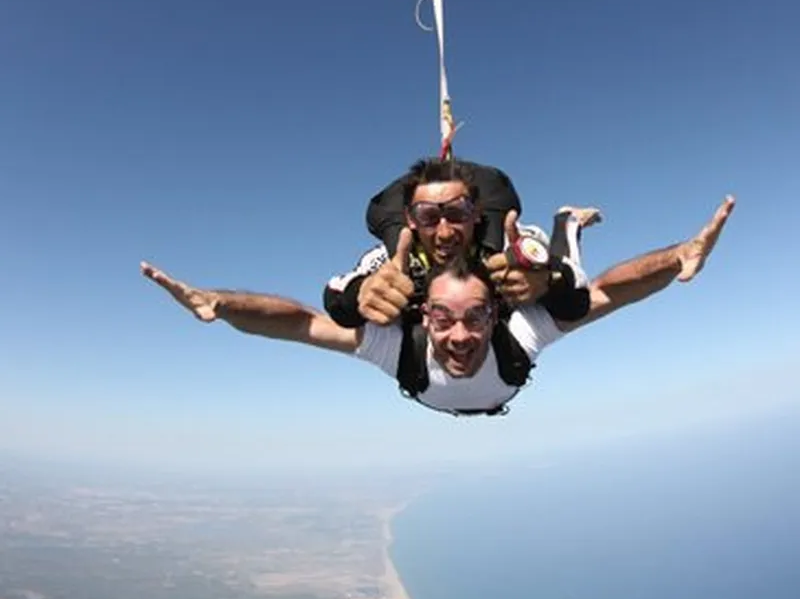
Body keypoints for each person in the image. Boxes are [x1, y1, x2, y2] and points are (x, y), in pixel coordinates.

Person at [140, 193, 735, 417]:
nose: (458, 335)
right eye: (445, 318)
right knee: (571, 301)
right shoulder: (403, 342)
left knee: (569, 287)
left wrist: (679, 257)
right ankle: (561, 225)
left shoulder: (515, 331)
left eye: (476, 317)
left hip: (520, 277)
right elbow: (301, 322)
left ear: (492, 315)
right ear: (423, 317)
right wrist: (219, 304)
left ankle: (565, 225)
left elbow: (611, 290)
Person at [323, 157, 602, 330]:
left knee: (563, 272)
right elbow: (336, 291)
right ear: (409, 219)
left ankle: (568, 221)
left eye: (457, 213)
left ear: (477, 213)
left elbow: (576, 298)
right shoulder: (393, 259)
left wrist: (549, 282)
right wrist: (360, 294)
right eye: (428, 216)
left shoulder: (509, 243)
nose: (444, 233)